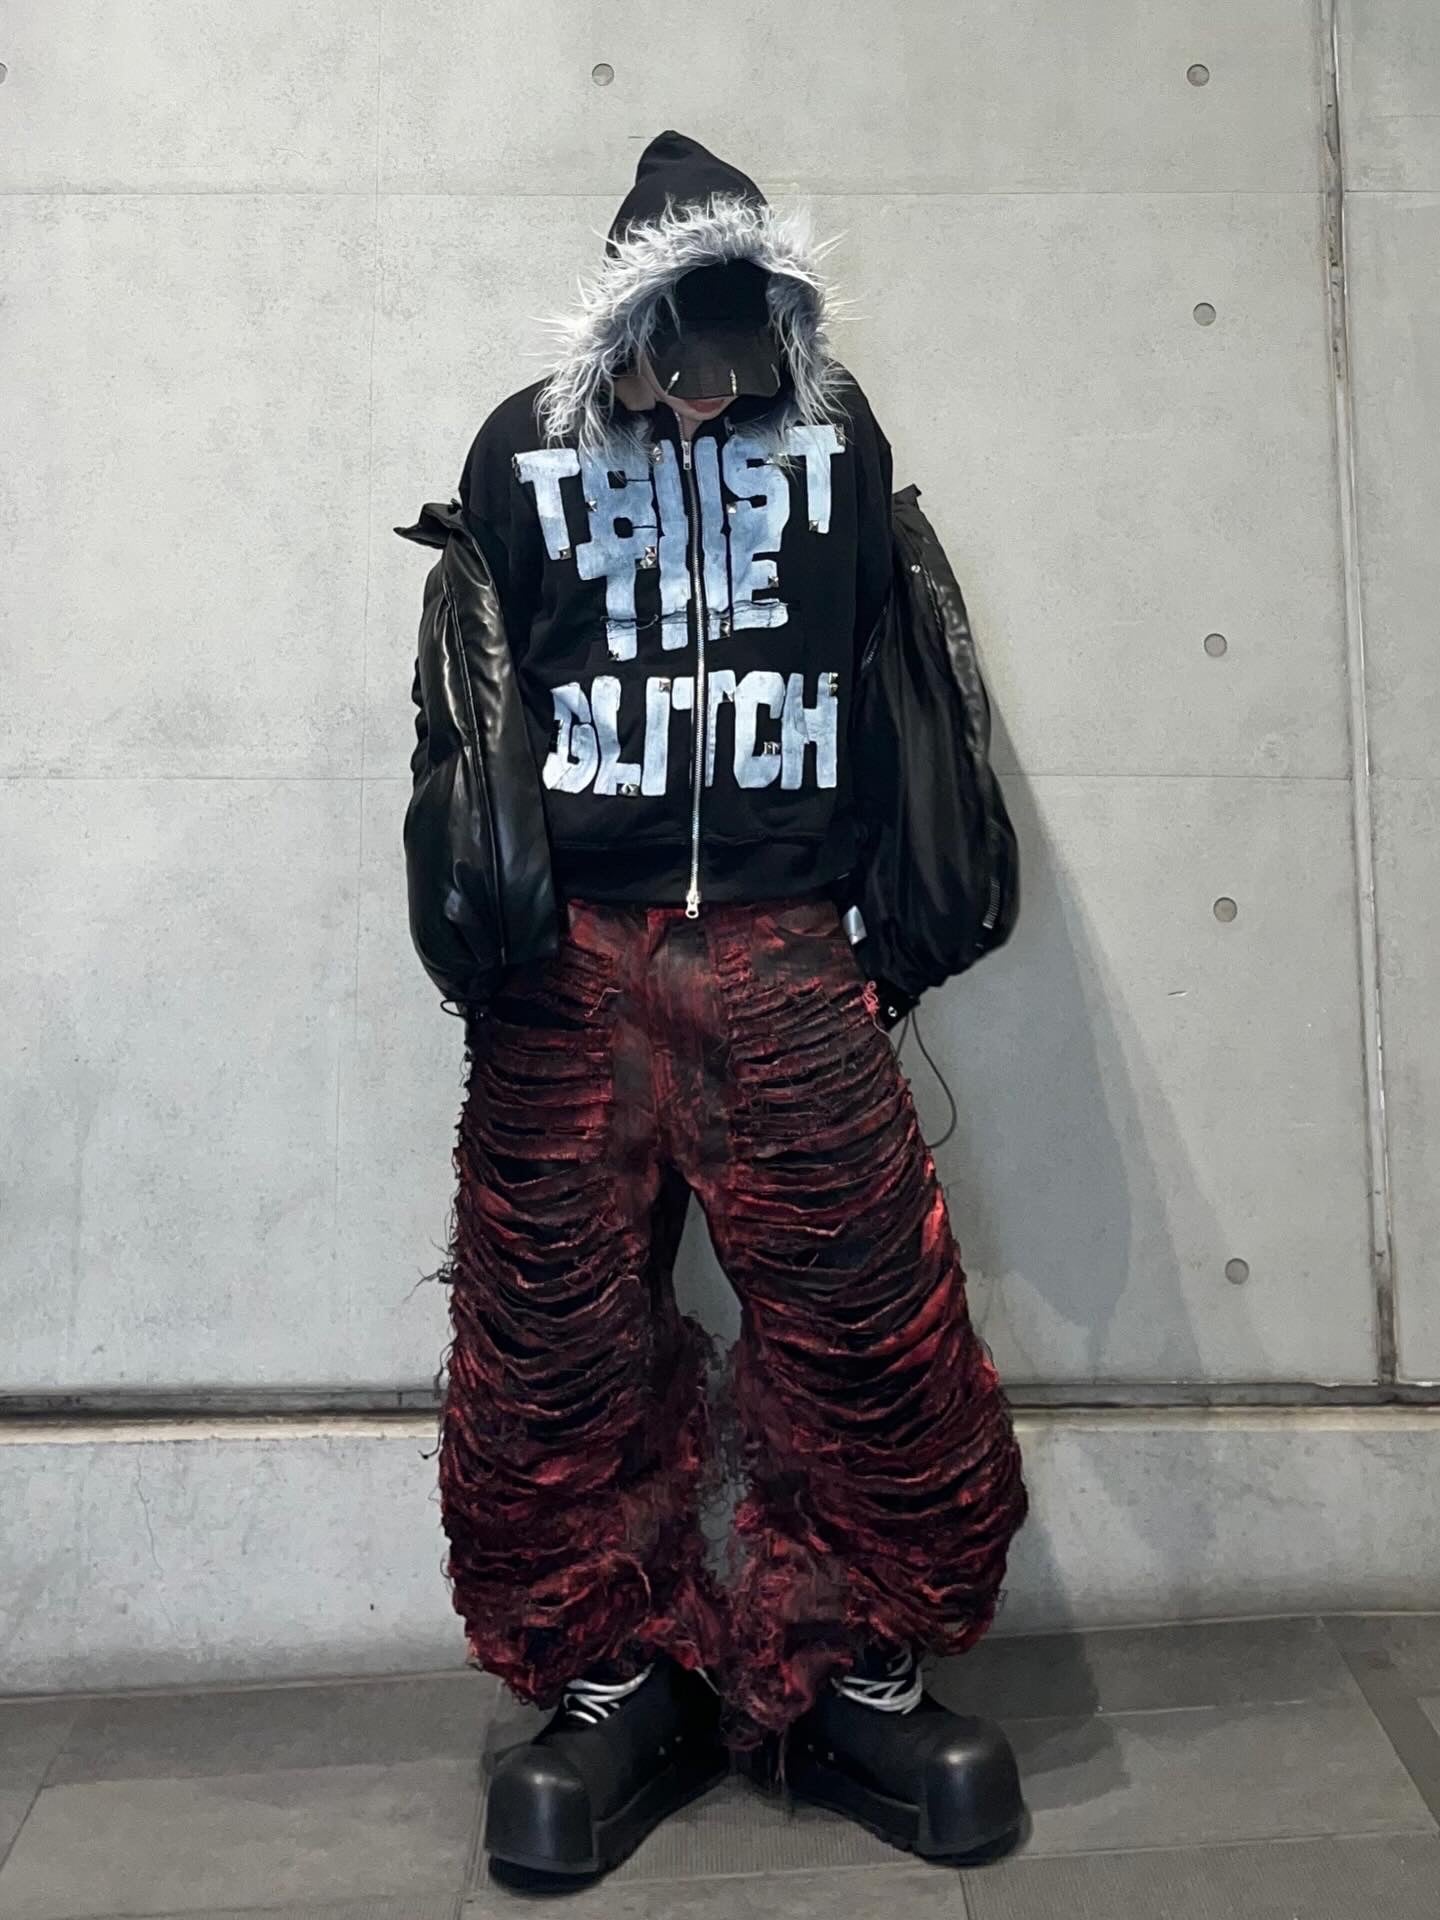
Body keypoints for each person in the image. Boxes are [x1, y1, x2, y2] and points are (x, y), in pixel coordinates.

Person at [401, 128, 1030, 1884]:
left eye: (738, 362)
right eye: (676, 365)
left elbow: (889, 674)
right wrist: (491, 931)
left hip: (784, 945)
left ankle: (856, 1670)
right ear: (620, 330)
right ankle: (614, 1677)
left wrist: (881, 920)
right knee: (551, 1346)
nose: (706, 400)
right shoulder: (519, 450)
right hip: (572, 962)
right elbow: (477, 709)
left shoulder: (836, 438)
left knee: (869, 1323)